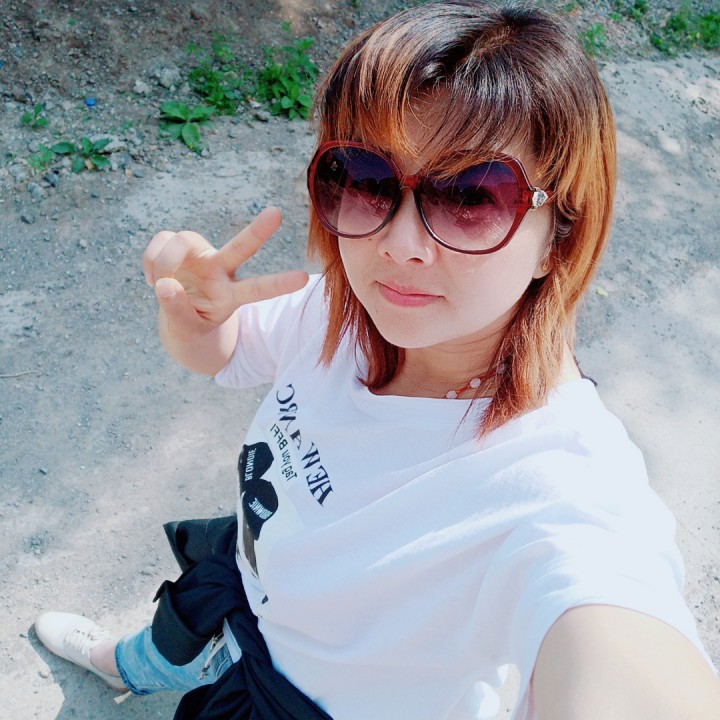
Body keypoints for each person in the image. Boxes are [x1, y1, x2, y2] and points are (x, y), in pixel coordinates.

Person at [35, 2, 719, 719]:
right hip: (241, 588)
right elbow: (221, 352)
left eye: (471, 197)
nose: (400, 244)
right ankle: (122, 663)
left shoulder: (557, 488)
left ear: (559, 236)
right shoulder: (335, 313)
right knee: (164, 638)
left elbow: (616, 632)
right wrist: (187, 316)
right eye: (366, 178)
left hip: (294, 704)